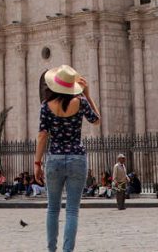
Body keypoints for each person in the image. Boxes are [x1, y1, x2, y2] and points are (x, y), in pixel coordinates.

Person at [33, 64, 101, 252]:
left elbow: (42, 135)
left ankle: (51, 249)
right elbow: (96, 120)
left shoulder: (46, 106)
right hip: (77, 158)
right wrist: (87, 94)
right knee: (72, 211)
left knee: (53, 209)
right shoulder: (80, 102)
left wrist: (37, 163)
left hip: (54, 158)